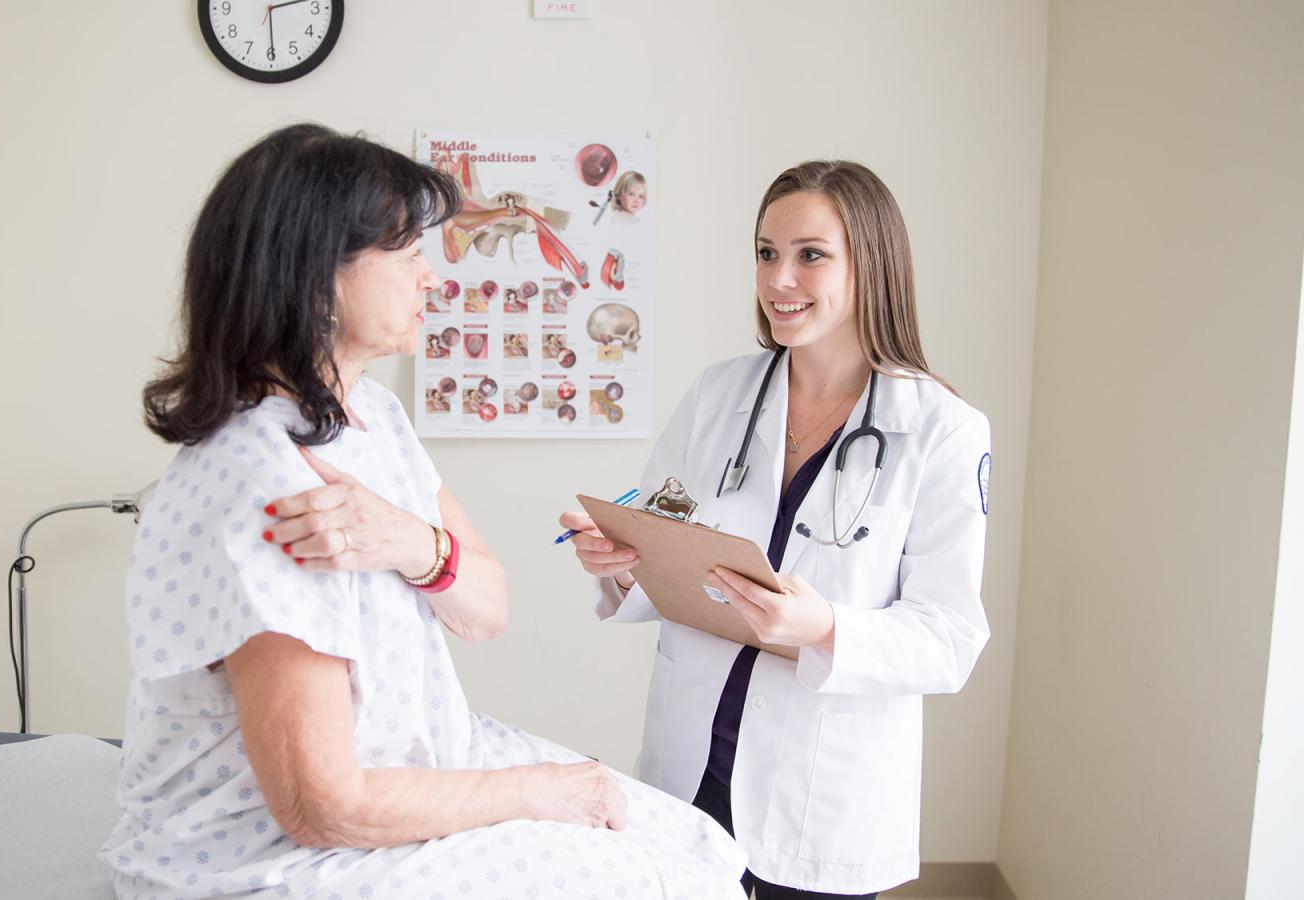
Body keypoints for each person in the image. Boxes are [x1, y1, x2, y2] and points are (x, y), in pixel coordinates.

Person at [98, 124, 746, 899]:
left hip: (417, 769)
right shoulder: (266, 488)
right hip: (272, 855)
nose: (431, 277)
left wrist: (412, 542)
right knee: (669, 885)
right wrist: (539, 792)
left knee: (693, 844)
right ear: (316, 278)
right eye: (408, 256)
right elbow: (320, 805)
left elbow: (487, 608)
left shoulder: (371, 417)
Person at [559, 160, 992, 897]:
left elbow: (949, 636)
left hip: (820, 792)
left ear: (872, 266)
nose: (779, 279)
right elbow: (666, 537)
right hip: (690, 771)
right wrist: (622, 561)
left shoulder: (943, 431)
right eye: (766, 253)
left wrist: (824, 626)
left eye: (810, 255)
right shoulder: (717, 394)